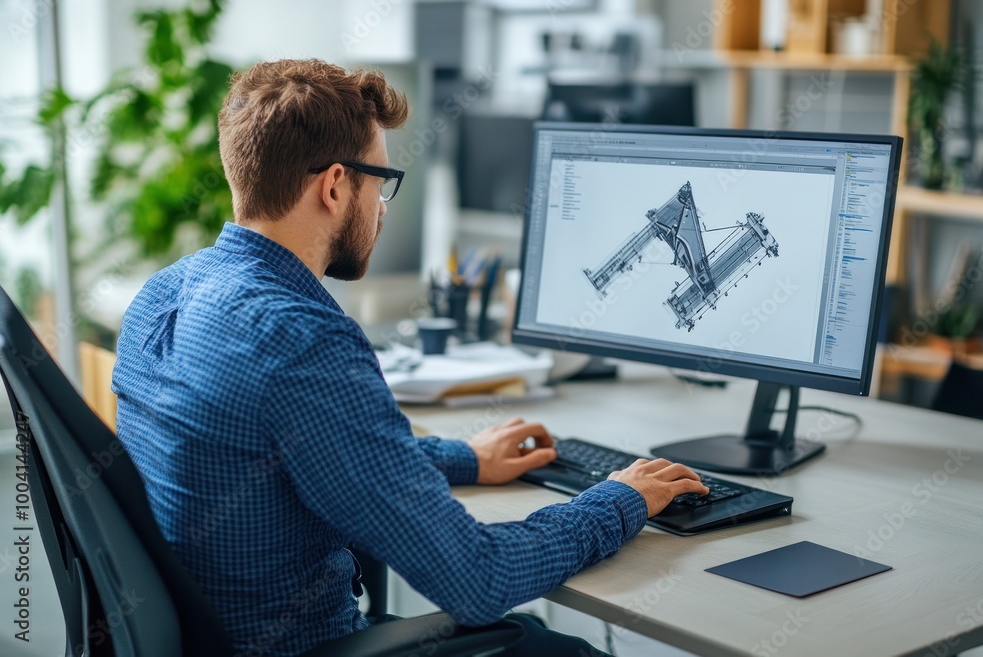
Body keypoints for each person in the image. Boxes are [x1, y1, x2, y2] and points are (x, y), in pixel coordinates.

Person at [112, 59, 709, 657]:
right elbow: (479, 580)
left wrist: (465, 458)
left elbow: (297, 447)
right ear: (336, 185)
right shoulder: (305, 340)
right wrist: (621, 499)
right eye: (382, 181)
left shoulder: (161, 295)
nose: (383, 207)